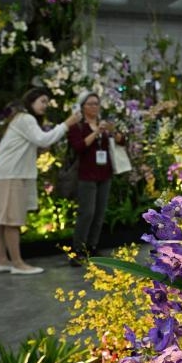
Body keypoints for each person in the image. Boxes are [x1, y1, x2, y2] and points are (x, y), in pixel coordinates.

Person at [0, 88, 81, 275]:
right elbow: (44, 140)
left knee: (0, 221)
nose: (45, 105)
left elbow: (34, 144)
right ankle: (18, 264)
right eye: (43, 101)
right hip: (10, 175)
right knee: (11, 221)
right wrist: (67, 124)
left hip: (0, 175)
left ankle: (2, 261)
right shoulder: (25, 118)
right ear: (32, 101)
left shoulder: (20, 119)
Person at [67, 91, 121, 264]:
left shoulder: (104, 125)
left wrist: (114, 132)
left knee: (99, 213)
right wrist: (96, 132)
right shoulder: (78, 127)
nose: (94, 107)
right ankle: (78, 249)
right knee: (87, 212)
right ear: (82, 107)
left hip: (104, 173)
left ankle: (92, 246)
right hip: (86, 175)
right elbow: (79, 147)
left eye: (96, 104)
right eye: (90, 104)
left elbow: (122, 141)